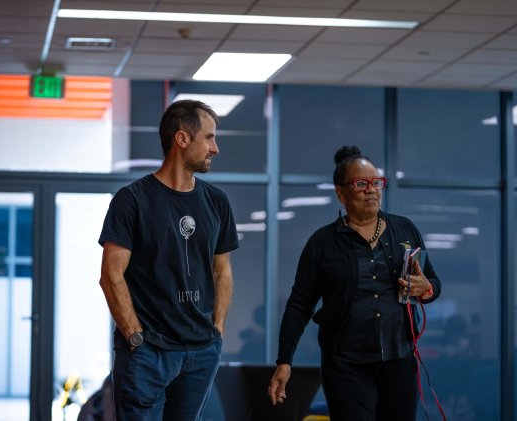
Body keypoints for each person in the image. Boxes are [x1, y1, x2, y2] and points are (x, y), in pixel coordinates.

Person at [268, 145, 441, 421]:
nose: (371, 190)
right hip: (345, 365)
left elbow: (432, 283)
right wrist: (284, 361)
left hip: (399, 359)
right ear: (341, 193)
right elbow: (299, 305)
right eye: (361, 184)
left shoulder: (404, 229)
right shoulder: (322, 243)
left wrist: (426, 289)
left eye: (376, 182)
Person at [98, 99, 239, 420]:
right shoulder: (132, 200)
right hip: (148, 352)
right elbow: (111, 276)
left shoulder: (217, 201)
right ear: (182, 138)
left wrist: (217, 331)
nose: (215, 148)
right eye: (209, 137)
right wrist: (135, 337)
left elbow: (222, 271)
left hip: (200, 352)